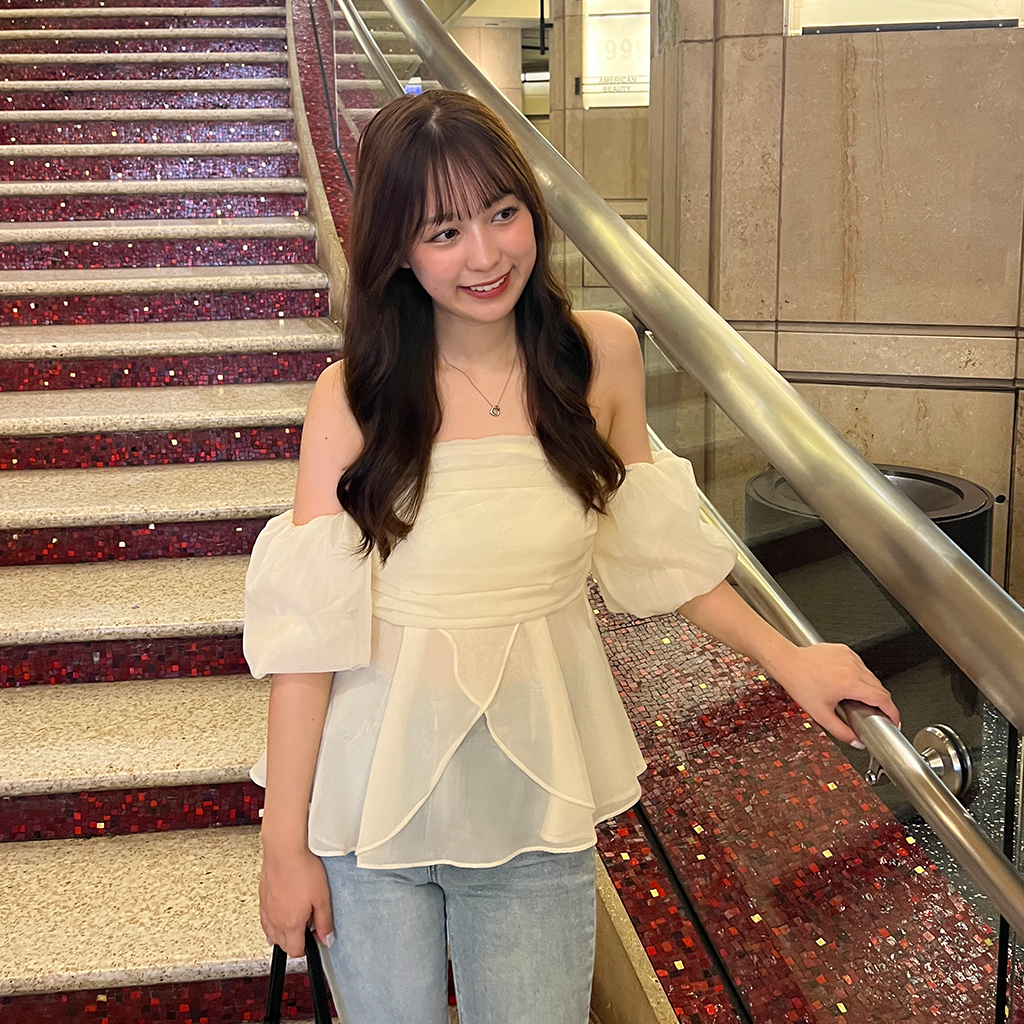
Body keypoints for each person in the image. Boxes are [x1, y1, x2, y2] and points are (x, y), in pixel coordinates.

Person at [243, 90, 899, 1024]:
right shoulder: (354, 395)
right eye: (443, 232)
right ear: (395, 250)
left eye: (502, 213)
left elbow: (658, 552)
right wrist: (284, 845)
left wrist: (788, 657)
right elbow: (309, 640)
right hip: (367, 799)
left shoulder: (599, 357)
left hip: (533, 791)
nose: (485, 255)